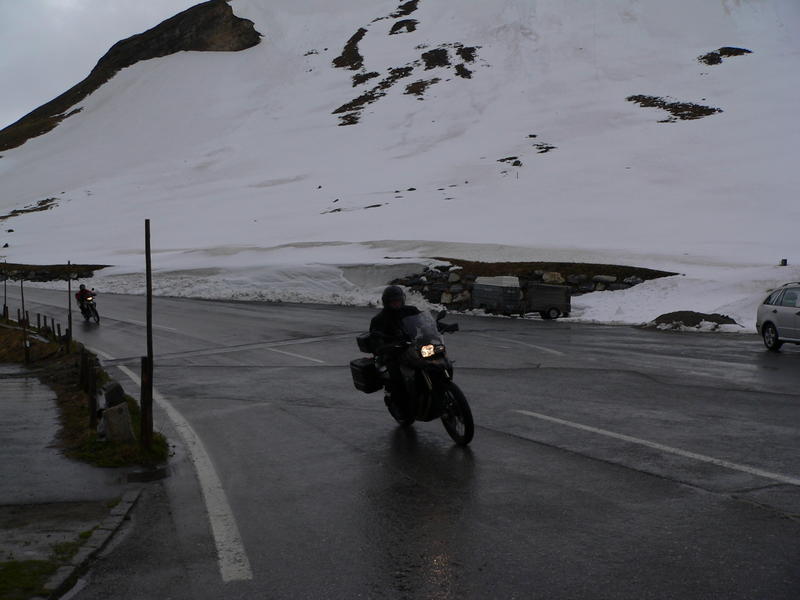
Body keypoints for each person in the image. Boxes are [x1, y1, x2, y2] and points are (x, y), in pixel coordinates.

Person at [369, 286, 420, 406]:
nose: (397, 303)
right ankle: (401, 403)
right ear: (387, 302)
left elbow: (424, 322)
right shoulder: (379, 319)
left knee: (435, 360)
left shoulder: (410, 310)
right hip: (393, 352)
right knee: (398, 378)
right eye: (393, 301)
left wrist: (437, 326)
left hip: (411, 347)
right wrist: (383, 345)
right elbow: (375, 339)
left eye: (399, 300)